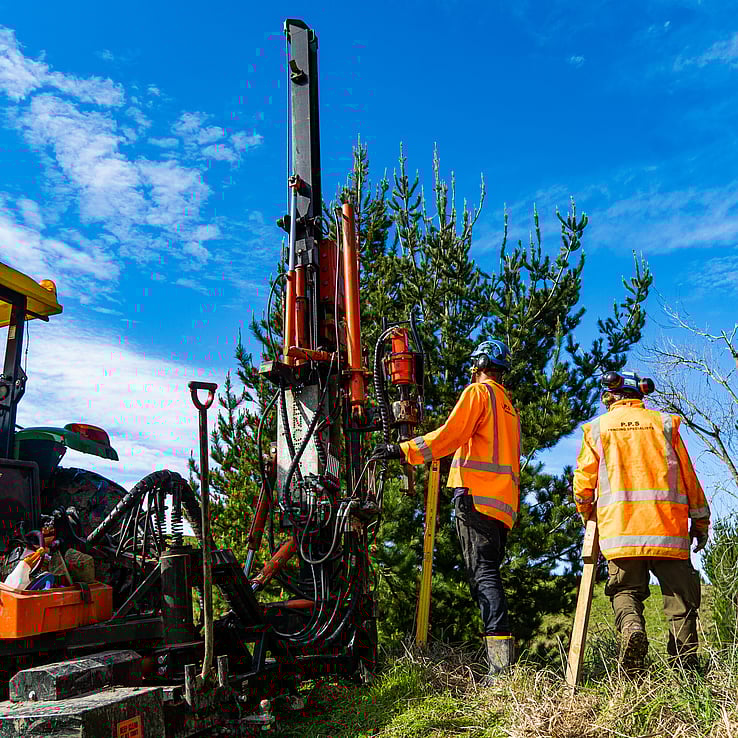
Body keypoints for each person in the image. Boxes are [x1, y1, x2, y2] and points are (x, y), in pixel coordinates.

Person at [372, 339, 521, 683]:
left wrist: (403, 450)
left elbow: (450, 436)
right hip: (502, 506)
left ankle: (500, 672)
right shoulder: (509, 408)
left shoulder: (479, 393)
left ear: (479, 364)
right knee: (490, 573)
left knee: (484, 576)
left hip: (476, 497)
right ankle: (502, 666)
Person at [573, 370, 710, 671]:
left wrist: (587, 515)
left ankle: (632, 630)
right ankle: (686, 672)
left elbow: (583, 485)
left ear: (611, 395)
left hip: (620, 533)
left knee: (625, 591)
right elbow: (689, 478)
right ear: (640, 394)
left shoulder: (598, 428)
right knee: (681, 602)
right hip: (668, 531)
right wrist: (701, 523)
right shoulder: (664, 424)